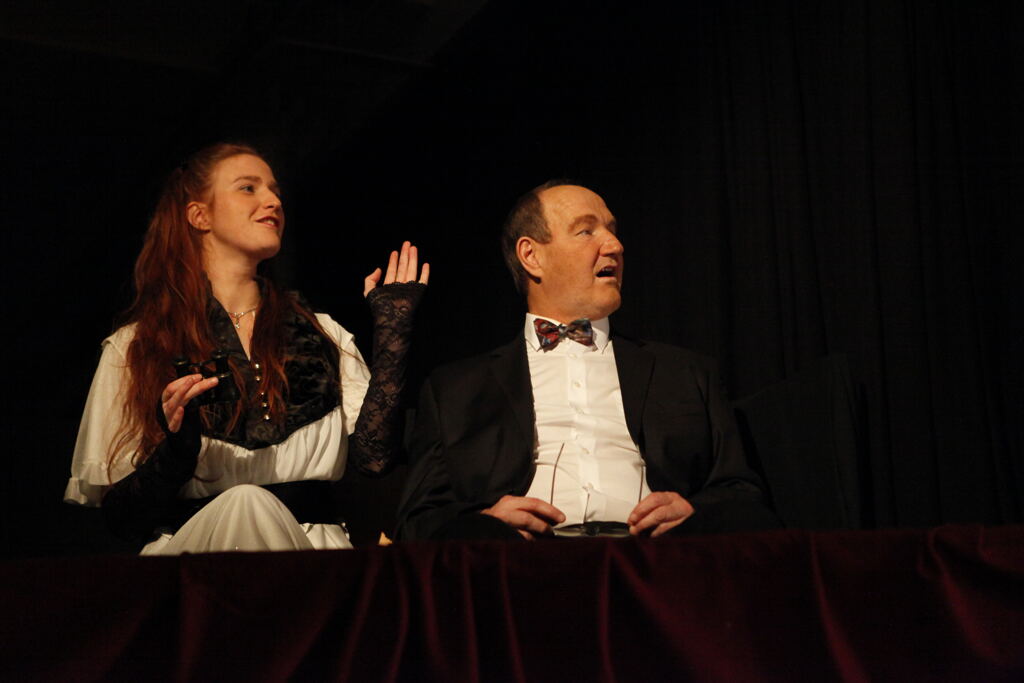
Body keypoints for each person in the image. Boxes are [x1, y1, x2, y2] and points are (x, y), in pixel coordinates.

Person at [64, 142, 428, 553]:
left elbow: (375, 460)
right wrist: (177, 450)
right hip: (198, 556)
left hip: (307, 554)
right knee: (245, 502)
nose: (273, 201)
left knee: (254, 506)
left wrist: (392, 332)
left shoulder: (323, 334)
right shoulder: (136, 347)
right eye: (248, 188)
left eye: (275, 191)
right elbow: (122, 520)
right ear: (199, 215)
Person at [395, 181, 779, 540]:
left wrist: (694, 512)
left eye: (612, 230)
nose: (615, 245)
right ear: (531, 256)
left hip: (657, 560)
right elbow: (418, 521)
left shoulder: (687, 373)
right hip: (517, 565)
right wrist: (486, 526)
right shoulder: (455, 389)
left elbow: (743, 493)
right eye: (586, 231)